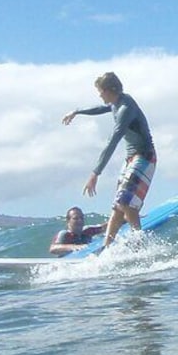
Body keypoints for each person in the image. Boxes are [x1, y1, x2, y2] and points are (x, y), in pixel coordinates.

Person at [62, 72, 157, 248]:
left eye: (100, 91)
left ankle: (140, 243)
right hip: (131, 158)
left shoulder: (125, 108)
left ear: (109, 90)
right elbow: (99, 108)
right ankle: (107, 248)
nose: (99, 95)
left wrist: (95, 173)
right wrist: (77, 111)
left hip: (145, 157)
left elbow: (113, 141)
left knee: (126, 202)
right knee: (117, 206)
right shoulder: (115, 103)